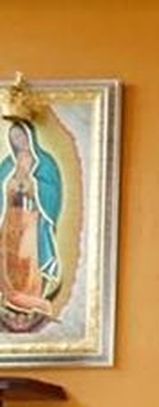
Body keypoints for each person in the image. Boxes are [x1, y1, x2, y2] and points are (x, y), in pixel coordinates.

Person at [0, 119, 64, 323]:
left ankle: (34, 301)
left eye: (20, 136)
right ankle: (11, 301)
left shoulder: (45, 163)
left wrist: (33, 185)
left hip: (33, 220)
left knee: (29, 262)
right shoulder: (8, 164)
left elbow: (52, 190)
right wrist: (10, 186)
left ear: (30, 136)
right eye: (14, 138)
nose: (18, 141)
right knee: (9, 263)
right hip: (10, 220)